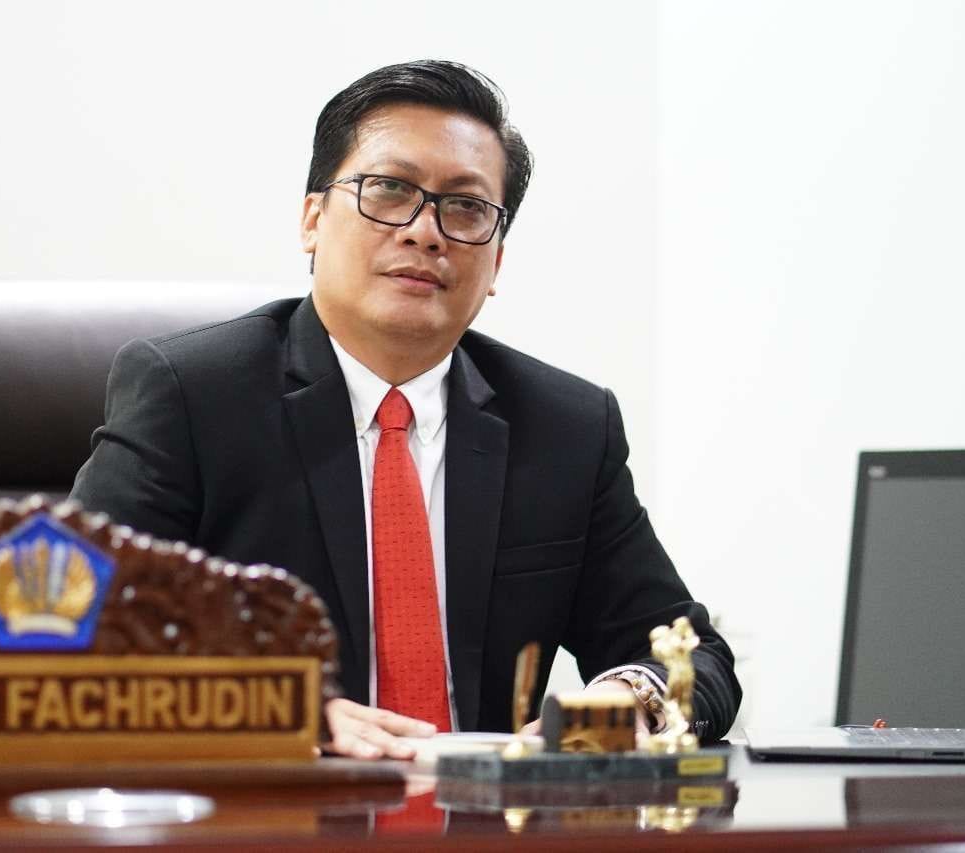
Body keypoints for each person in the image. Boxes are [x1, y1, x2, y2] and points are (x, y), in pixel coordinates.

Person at [71, 60, 740, 759]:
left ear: (497, 263)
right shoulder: (192, 396)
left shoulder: (566, 427)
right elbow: (70, 623)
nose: (426, 232)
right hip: (276, 802)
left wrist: (631, 699)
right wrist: (274, 710)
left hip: (484, 808)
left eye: (466, 208)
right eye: (390, 190)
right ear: (311, 220)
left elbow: (692, 655)